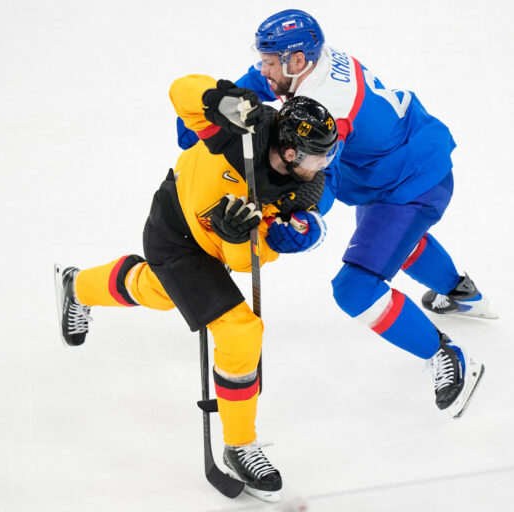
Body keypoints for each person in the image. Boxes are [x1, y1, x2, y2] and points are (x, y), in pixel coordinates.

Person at [177, 10, 496, 419]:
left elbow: (316, 178)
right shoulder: (304, 64)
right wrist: (211, 114)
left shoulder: (327, 103)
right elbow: (230, 106)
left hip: (411, 180)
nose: (263, 68)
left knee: (356, 288)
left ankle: (448, 355)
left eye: (270, 61)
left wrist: (301, 220)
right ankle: (462, 293)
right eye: (264, 59)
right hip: (389, 166)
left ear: (296, 61)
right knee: (396, 241)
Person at [54, 75, 339, 502]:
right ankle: (239, 445)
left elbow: (246, 263)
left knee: (156, 291)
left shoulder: (301, 191)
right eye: (318, 157)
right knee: (240, 330)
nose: (324, 166)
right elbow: (180, 93)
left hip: (216, 250)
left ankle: (76, 285)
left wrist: (241, 235)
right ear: (290, 150)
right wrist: (217, 98)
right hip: (175, 230)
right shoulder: (241, 129)